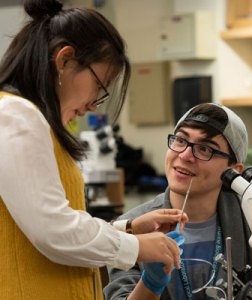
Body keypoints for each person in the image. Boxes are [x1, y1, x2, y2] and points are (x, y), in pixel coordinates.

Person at [0, 1, 187, 299]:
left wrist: (128, 230)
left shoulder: (31, 119)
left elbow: (55, 221)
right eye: (100, 86)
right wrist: (136, 246)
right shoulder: (16, 116)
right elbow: (54, 230)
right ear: (64, 60)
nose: (92, 104)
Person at [104, 103, 252, 300]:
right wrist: (150, 283)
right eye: (181, 140)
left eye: (204, 149)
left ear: (234, 170)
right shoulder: (132, 227)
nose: (184, 156)